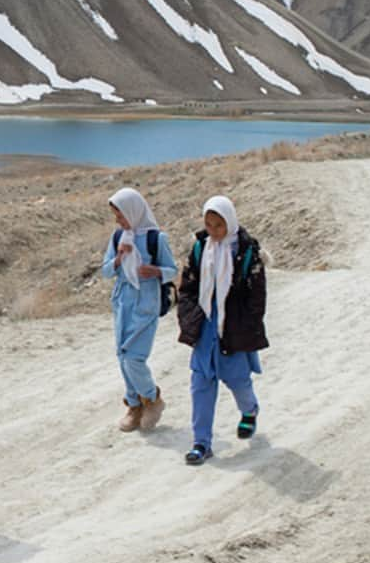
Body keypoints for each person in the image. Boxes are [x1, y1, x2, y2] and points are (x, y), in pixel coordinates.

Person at [176, 195, 268, 465]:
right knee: (200, 384)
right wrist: (188, 319)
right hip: (205, 326)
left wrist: (248, 328)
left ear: (229, 222)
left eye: (219, 225)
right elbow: (188, 288)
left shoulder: (246, 251)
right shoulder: (200, 248)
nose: (214, 231)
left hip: (233, 328)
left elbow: (256, 297)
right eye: (209, 224)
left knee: (237, 379)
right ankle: (201, 443)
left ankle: (249, 411)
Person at [102, 188, 179, 432]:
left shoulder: (157, 239)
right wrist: (117, 259)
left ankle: (152, 398)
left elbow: (173, 270)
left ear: (134, 212)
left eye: (121, 216)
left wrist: (156, 272)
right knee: (123, 355)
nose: (119, 221)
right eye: (117, 217)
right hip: (123, 301)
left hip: (147, 301)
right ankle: (134, 406)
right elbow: (105, 271)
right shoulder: (118, 238)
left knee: (135, 357)